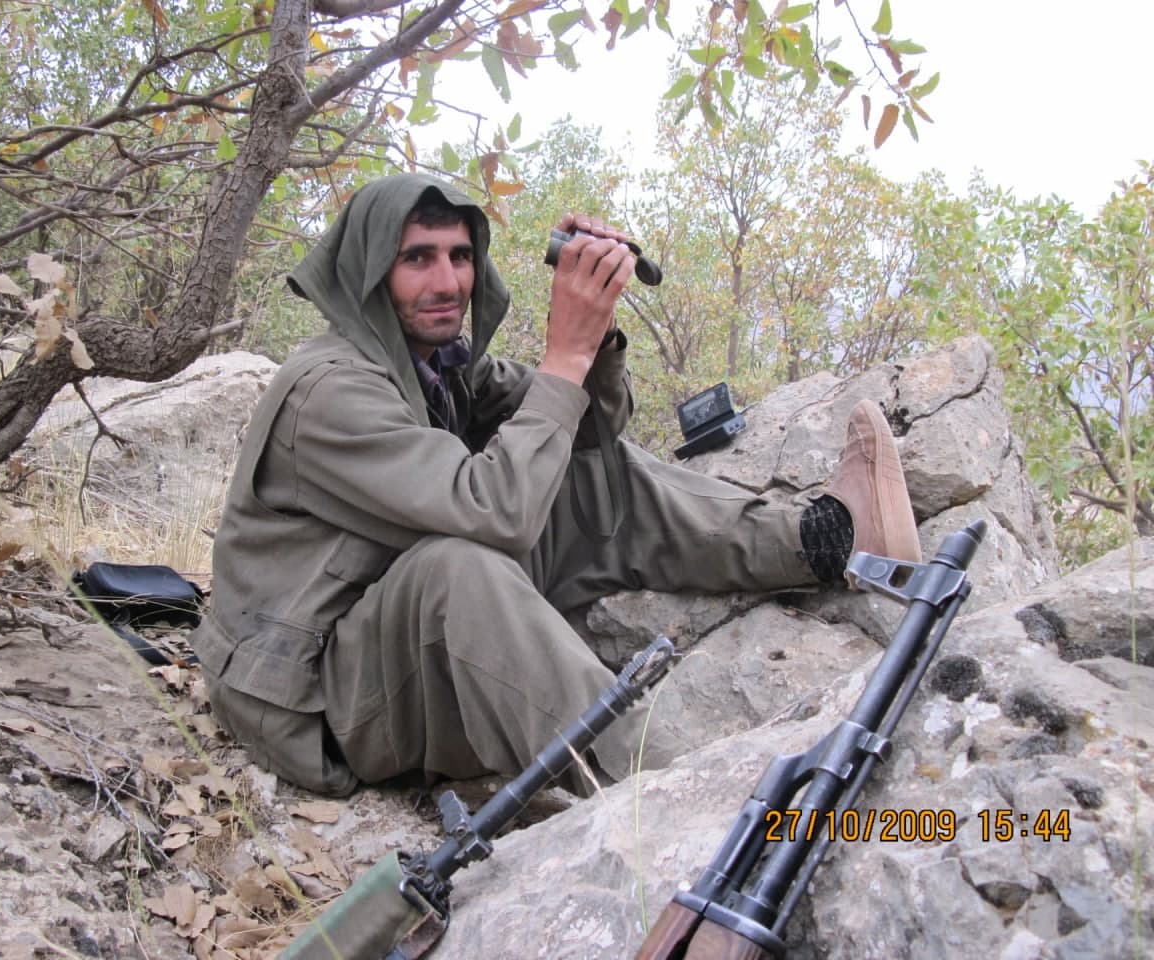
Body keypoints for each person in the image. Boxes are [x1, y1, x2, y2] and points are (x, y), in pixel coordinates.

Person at [189, 173, 921, 798]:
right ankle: (666, 794)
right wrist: (564, 351)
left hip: (386, 634)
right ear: (369, 273)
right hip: (317, 699)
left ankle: (827, 539)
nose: (447, 282)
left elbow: (591, 430)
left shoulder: (434, 363)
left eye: (459, 256)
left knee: (583, 471)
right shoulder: (328, 392)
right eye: (416, 259)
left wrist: (591, 333)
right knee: (458, 568)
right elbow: (496, 515)